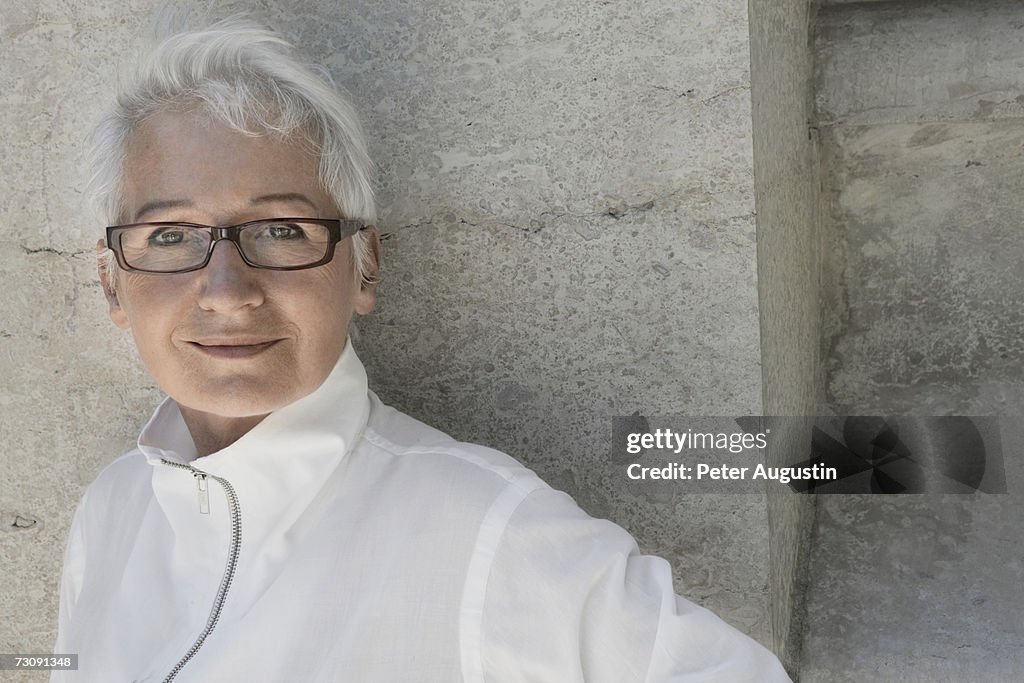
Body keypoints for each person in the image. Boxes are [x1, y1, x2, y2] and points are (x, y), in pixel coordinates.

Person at [52, 16, 791, 682]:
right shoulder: (111, 514)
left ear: (364, 265)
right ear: (112, 282)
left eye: (281, 230)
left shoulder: (487, 530)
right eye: (170, 236)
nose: (226, 289)